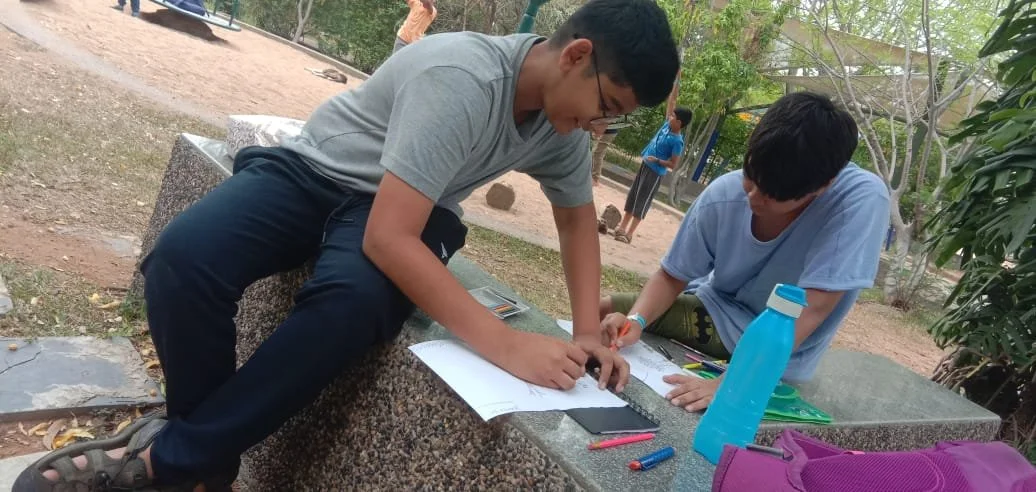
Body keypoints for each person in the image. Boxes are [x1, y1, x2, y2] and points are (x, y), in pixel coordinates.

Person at [15, 0, 680, 490]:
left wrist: (590, 330)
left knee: (353, 306)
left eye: (615, 121)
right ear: (575, 56)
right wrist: (505, 344)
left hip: (415, 205)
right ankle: (199, 461)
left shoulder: (559, 131)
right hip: (317, 170)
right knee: (184, 260)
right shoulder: (466, 78)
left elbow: (574, 220)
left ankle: (174, 457)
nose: (601, 127)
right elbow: (389, 239)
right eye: (608, 106)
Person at [599, 91, 890, 412]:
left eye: (773, 195)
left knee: (611, 310)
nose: (753, 197)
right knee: (609, 313)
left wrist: (729, 385)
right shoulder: (723, 193)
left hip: (779, 345)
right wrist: (637, 320)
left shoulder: (859, 201)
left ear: (823, 186)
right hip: (713, 306)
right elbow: (671, 276)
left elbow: (812, 308)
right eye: (750, 178)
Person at [613, 106, 692, 244]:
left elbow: (673, 164)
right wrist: (675, 85)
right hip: (645, 166)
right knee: (633, 196)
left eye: (673, 116)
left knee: (642, 201)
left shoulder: (677, 141)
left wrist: (657, 161)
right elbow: (671, 103)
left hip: (655, 172)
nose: (669, 117)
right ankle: (622, 227)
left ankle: (629, 233)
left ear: (679, 123)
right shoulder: (666, 127)